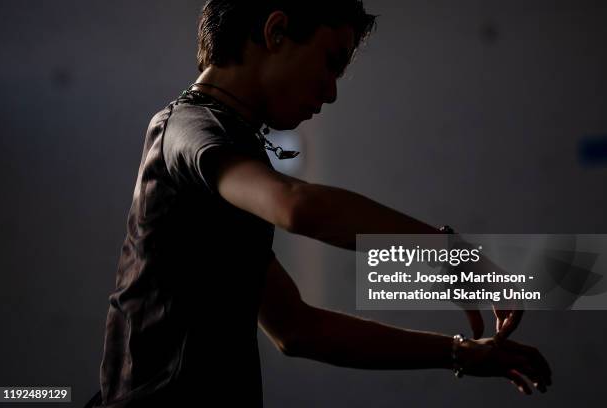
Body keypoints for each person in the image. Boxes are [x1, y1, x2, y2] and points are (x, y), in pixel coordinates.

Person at [85, 1, 551, 406]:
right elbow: (296, 207)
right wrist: (446, 253)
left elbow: (295, 328)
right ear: (276, 31)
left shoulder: (223, 161)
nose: (331, 92)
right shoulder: (186, 127)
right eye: (331, 62)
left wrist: (460, 353)